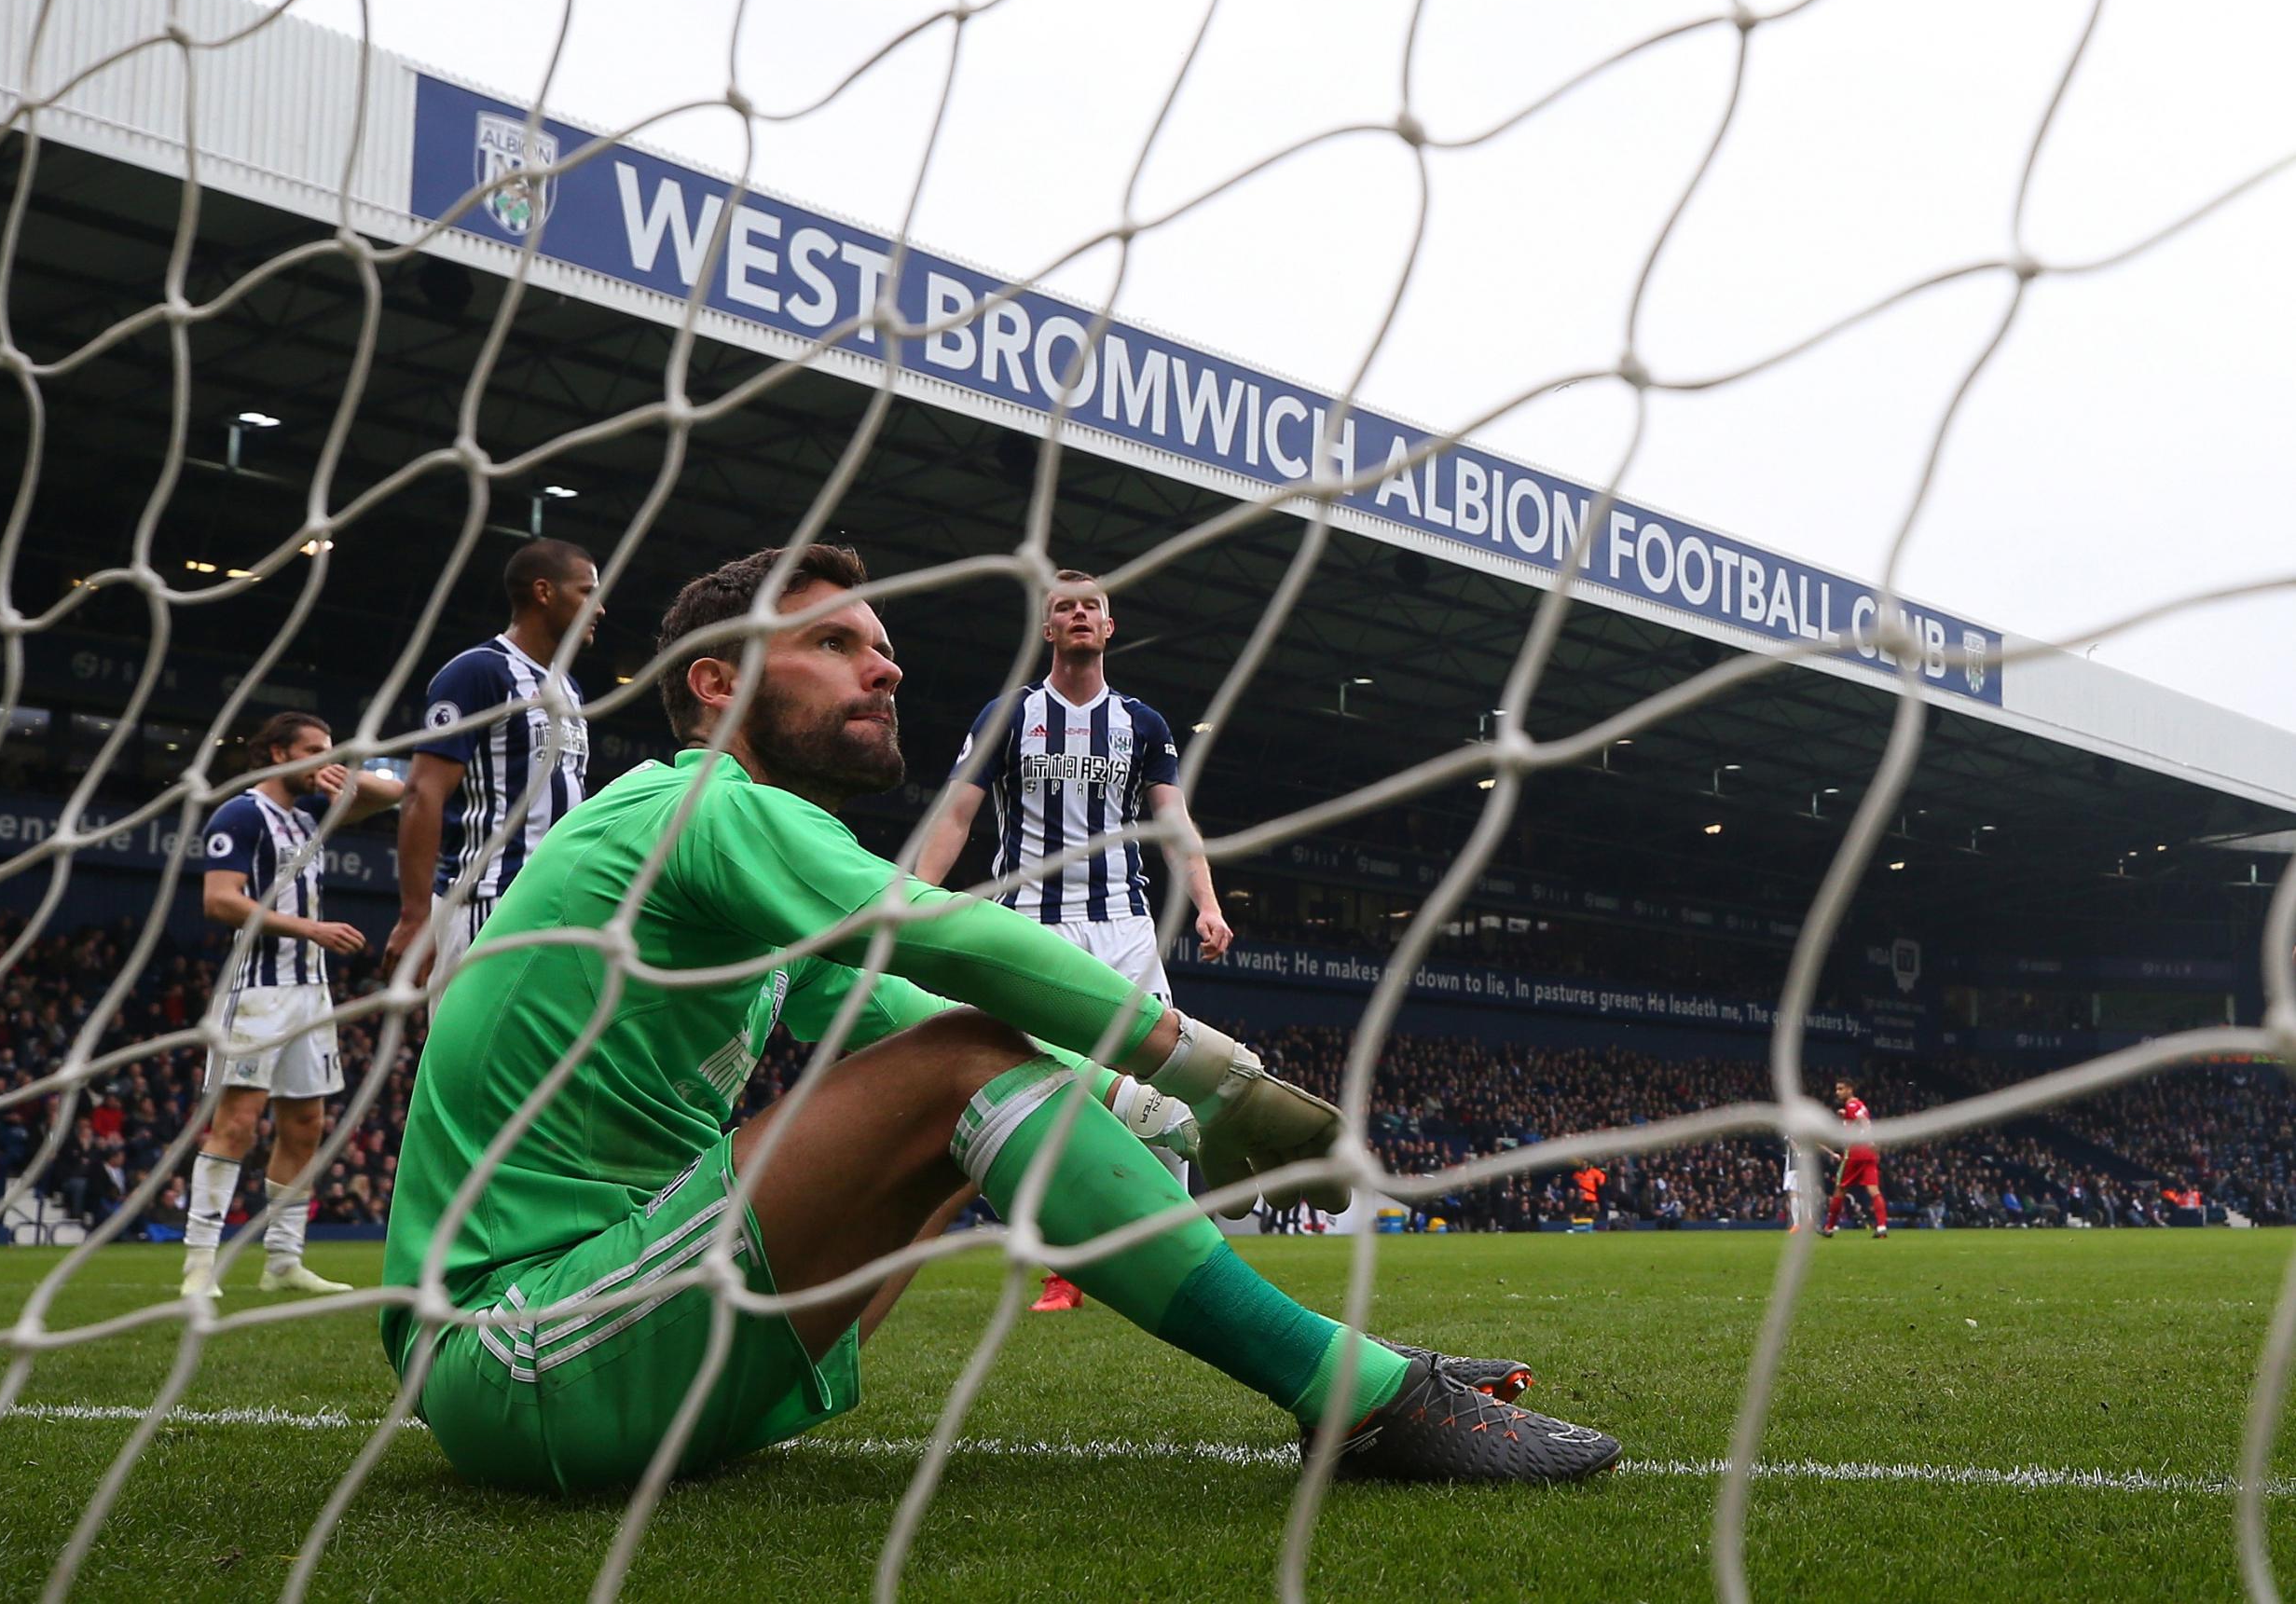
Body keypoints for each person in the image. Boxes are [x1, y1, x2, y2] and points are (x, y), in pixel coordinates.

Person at [380, 544, 1605, 1493]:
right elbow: (950, 941)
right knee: (964, 1059)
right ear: (719, 682)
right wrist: (1218, 1082)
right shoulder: (695, 805)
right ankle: (1360, 1396)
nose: (887, 666)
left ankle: (1354, 1383)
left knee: (955, 1067)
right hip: (515, 1348)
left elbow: (886, 1003)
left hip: (655, 1348)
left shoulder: (723, 861)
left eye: (884, 646)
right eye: (835, 642)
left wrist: (1147, 1104)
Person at [913, 569, 1232, 1314]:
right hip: (1028, 925)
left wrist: (1208, 903)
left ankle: (1181, 1255)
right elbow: (956, 813)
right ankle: (1067, 1266)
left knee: (1161, 1087)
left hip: (1125, 926)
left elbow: (1175, 826)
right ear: (1047, 629)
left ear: (1109, 628)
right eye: (1065, 607)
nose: (1080, 614)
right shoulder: (1009, 715)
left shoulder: (1143, 723)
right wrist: (918, 898)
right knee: (1042, 1095)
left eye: (1092, 606)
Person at [184, 711, 405, 1298]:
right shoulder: (240, 813)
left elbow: (397, 794)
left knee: (306, 1125)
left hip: (312, 995)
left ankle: (282, 1261)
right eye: (313, 750)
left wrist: (340, 771)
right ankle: (199, 1265)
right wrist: (309, 929)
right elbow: (219, 900)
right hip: (257, 992)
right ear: (279, 754)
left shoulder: (307, 815)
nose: (324, 760)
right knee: (236, 1123)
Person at [383, 539, 603, 1008]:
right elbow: (423, 793)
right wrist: (414, 916)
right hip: (488, 901)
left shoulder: (569, 688)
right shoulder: (478, 673)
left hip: (557, 906)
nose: (599, 609)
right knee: (473, 1070)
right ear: (544, 592)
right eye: (587, 592)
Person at [1819, 1076, 1888, 1240]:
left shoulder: (1850, 1104)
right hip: (1869, 1154)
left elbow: (1862, 1122)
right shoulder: (1860, 1105)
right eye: (1837, 1089)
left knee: (1840, 1189)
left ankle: (1828, 1228)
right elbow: (1860, 1120)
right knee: (1874, 1190)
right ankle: (1882, 1226)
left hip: (1855, 1152)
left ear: (1850, 1089)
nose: (1838, 1092)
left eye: (1841, 1089)